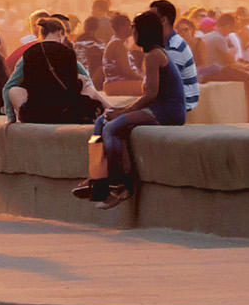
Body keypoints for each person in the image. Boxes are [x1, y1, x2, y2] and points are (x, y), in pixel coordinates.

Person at [80, 10, 187, 209]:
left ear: (143, 32)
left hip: (167, 111)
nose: (133, 33)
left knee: (112, 128)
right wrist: (121, 111)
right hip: (157, 107)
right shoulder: (150, 55)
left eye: (135, 29)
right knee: (101, 121)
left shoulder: (155, 55)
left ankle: (122, 185)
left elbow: (151, 95)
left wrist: (123, 112)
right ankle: (98, 176)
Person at [4, 14, 106, 124]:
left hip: (35, 114)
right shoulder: (67, 53)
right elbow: (73, 89)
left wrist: (11, 117)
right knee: (87, 86)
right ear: (59, 33)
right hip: (64, 113)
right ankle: (110, 110)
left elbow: (8, 87)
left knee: (13, 90)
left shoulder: (28, 54)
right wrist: (81, 81)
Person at [199, 11, 249, 120]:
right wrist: (244, 67)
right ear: (228, 26)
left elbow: (227, 61)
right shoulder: (219, 38)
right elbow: (230, 61)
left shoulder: (211, 35)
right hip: (214, 71)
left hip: (212, 69)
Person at [153, 0, 202, 118]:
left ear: (163, 20)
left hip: (176, 106)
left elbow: (164, 86)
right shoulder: (163, 43)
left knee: (113, 126)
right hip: (172, 102)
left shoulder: (174, 46)